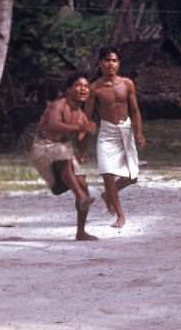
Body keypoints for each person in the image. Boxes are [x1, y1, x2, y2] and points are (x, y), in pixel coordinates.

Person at [30, 72, 97, 241]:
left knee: (83, 184)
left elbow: (81, 141)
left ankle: (81, 231)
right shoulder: (58, 105)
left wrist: (87, 134)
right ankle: (81, 197)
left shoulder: (81, 115)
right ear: (69, 89)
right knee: (64, 159)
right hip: (43, 147)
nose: (83, 89)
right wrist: (79, 128)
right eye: (79, 85)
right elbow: (53, 125)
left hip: (63, 149)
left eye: (86, 86)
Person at [86, 47, 145, 228]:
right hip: (106, 132)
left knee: (132, 176)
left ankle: (107, 195)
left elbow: (135, 111)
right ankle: (120, 215)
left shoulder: (127, 84)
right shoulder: (94, 88)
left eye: (114, 61)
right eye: (107, 60)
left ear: (118, 64)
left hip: (125, 130)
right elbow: (87, 115)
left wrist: (139, 133)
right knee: (108, 174)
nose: (110, 64)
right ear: (100, 64)